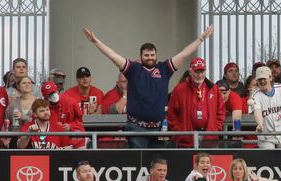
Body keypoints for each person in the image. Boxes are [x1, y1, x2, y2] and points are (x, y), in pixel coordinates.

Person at [83, 25, 213, 147]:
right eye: (146, 55)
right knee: (139, 164)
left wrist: (201, 38)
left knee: (159, 164)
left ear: (156, 55)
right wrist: (95, 41)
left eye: (152, 55)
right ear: (140, 56)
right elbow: (112, 55)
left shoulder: (164, 69)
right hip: (136, 128)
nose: (150, 58)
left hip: (159, 128)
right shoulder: (133, 69)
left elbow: (184, 54)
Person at [167, 58, 226, 148]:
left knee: (205, 162)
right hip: (186, 140)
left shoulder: (214, 88)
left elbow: (221, 112)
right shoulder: (179, 90)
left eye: (202, 72)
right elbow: (171, 115)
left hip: (209, 139)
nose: (200, 75)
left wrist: (214, 128)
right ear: (190, 72)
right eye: (197, 72)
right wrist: (181, 132)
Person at [40, 81, 86, 148]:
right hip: (53, 140)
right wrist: (55, 127)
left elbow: (80, 120)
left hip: (73, 139)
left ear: (57, 91)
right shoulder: (43, 106)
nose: (53, 95)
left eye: (54, 92)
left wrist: (70, 126)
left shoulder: (70, 101)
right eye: (50, 94)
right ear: (45, 98)